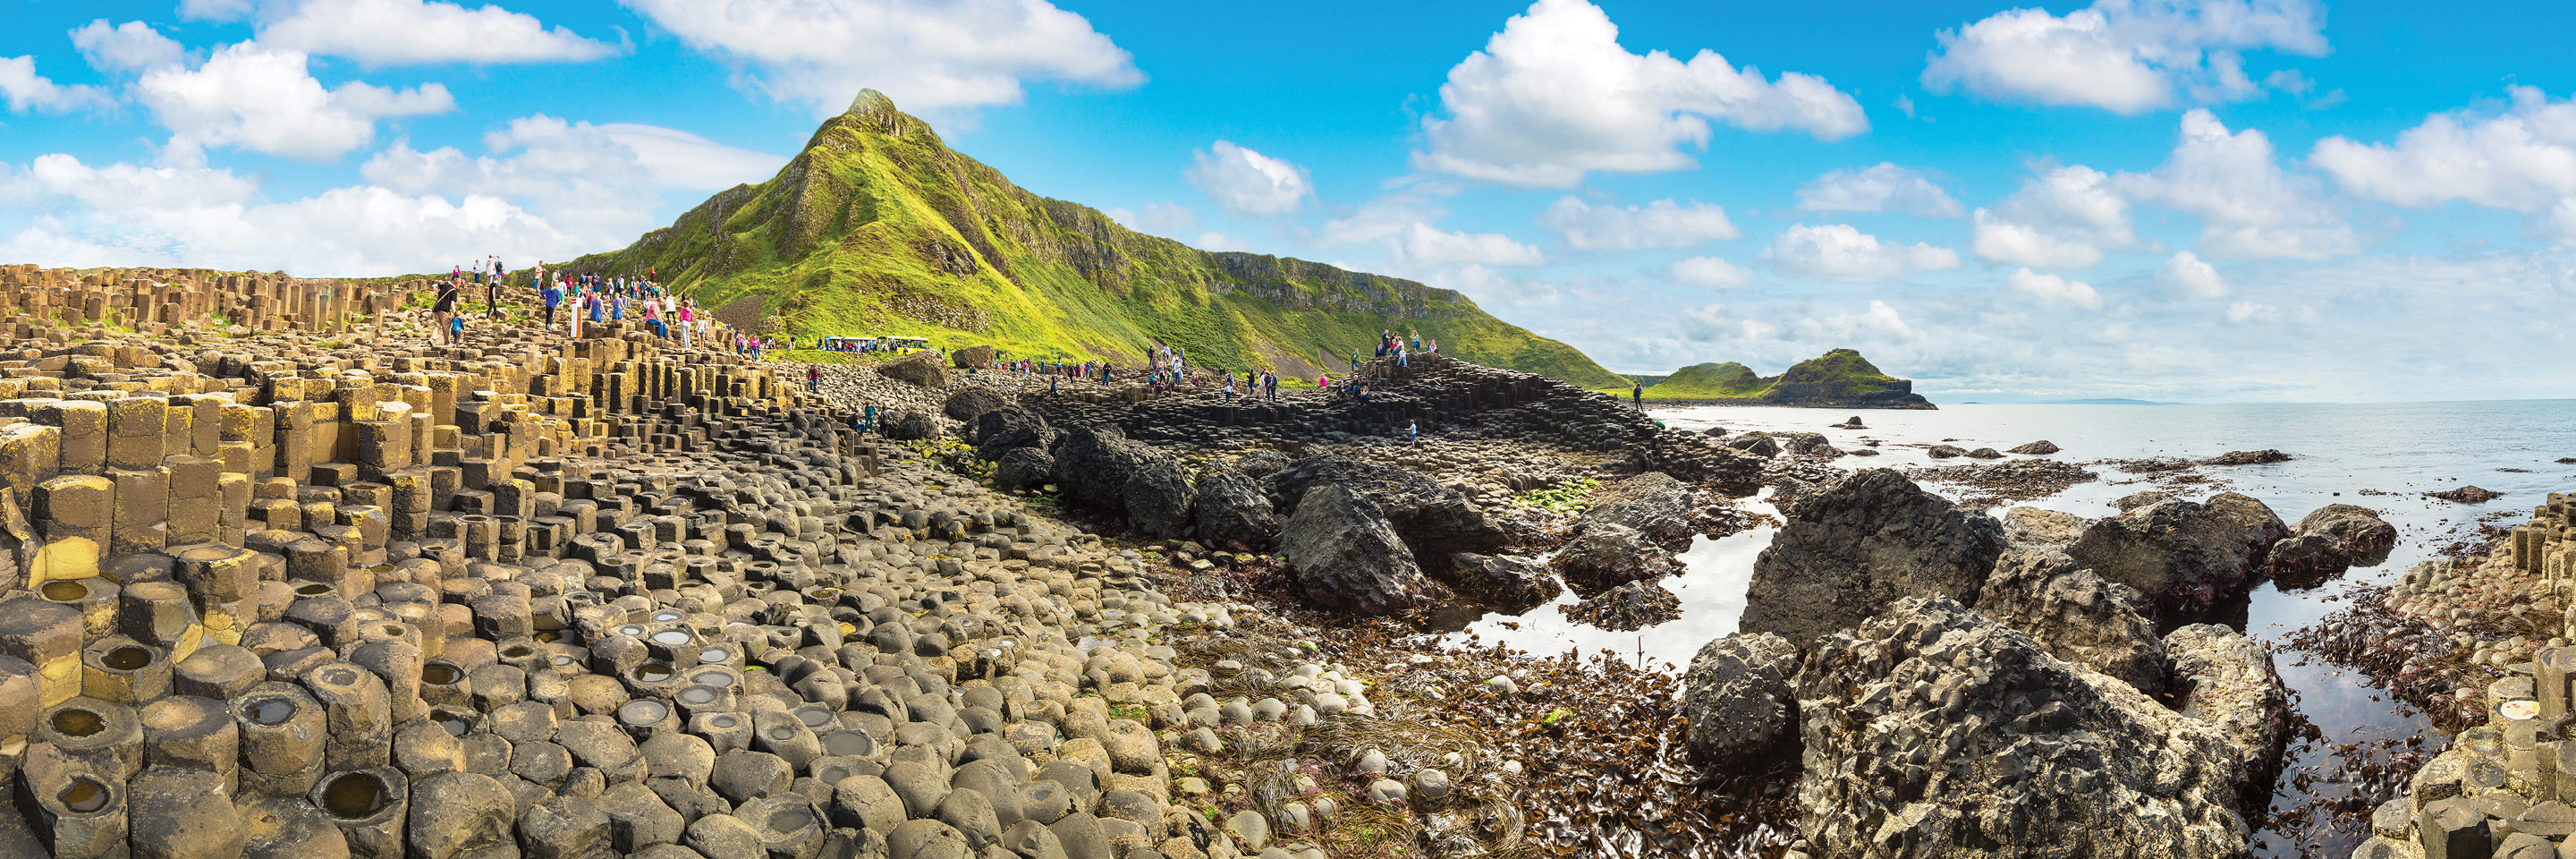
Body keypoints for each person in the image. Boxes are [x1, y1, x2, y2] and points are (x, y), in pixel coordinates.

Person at [433, 276, 461, 344]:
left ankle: (432, 339)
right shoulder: (454, 291)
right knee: (447, 326)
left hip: (437, 309)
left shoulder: (445, 286)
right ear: (457, 284)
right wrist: (455, 314)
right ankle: (447, 342)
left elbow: (434, 285)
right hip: (444, 310)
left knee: (437, 325)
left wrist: (439, 293)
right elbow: (452, 304)